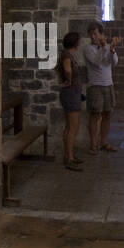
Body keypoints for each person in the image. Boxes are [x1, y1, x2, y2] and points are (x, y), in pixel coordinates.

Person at [76, 26, 118, 153]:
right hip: (95, 86)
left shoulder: (107, 47)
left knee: (107, 114)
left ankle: (104, 142)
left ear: (102, 34)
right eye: (91, 34)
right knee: (94, 115)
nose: (92, 37)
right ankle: (93, 144)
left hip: (108, 84)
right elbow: (97, 62)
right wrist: (103, 47)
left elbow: (114, 62)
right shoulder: (88, 49)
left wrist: (111, 49)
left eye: (95, 34)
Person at [54, 32, 86, 171]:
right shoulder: (67, 56)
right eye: (79, 40)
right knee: (73, 127)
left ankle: (69, 156)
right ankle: (69, 158)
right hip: (70, 93)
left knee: (69, 127)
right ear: (75, 42)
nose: (80, 42)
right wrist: (69, 80)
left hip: (71, 93)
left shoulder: (66, 54)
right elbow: (67, 69)